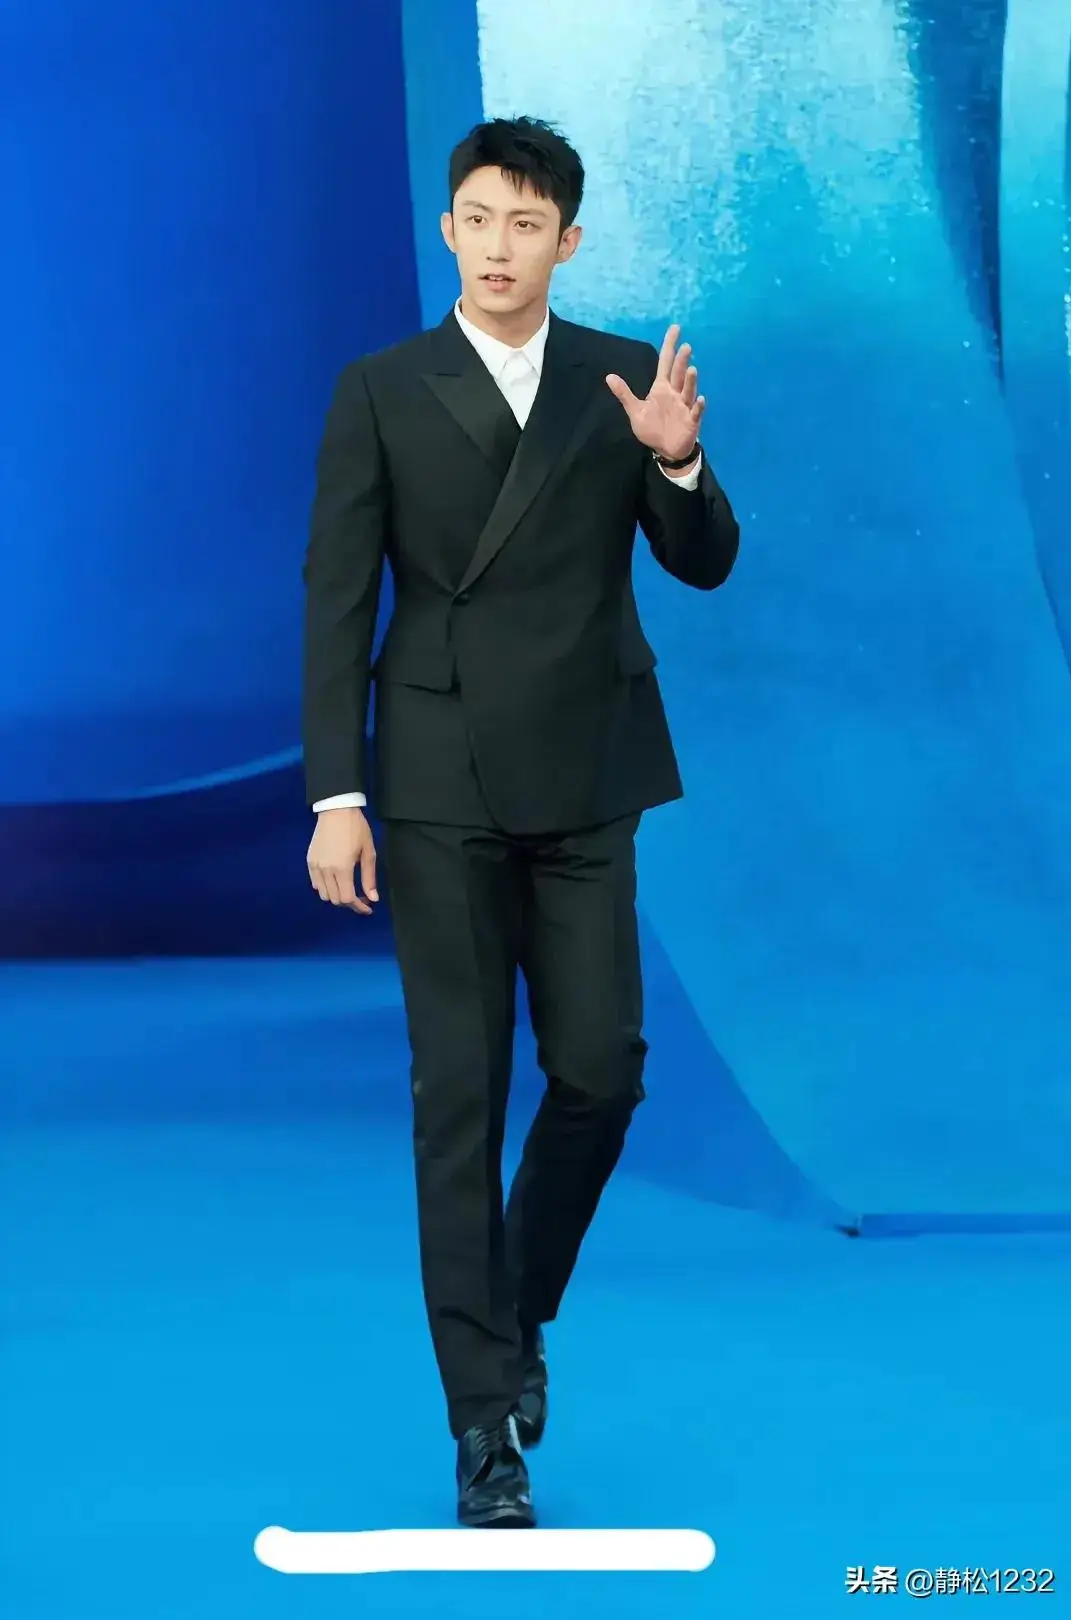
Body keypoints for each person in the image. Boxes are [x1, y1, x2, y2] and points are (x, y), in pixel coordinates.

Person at [302, 115, 739, 1528]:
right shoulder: (382, 388)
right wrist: (337, 795)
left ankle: (517, 1301)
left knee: (602, 1071)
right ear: (450, 230)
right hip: (436, 782)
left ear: (570, 240)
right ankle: (483, 1426)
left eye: (528, 225)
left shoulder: (621, 381)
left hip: (587, 771)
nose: (500, 247)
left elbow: (707, 565)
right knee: (459, 1096)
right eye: (480, 219)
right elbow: (336, 600)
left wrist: (678, 465)